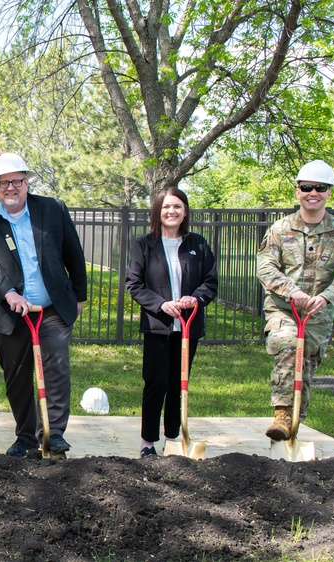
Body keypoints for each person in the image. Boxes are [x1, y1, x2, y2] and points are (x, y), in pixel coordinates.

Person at [0, 153, 87, 457]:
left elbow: (73, 252)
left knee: (56, 365)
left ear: (26, 182)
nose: (11, 187)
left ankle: (54, 433)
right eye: (4, 182)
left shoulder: (51, 208)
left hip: (50, 307)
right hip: (9, 312)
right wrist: (9, 293)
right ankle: (26, 436)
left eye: (17, 181)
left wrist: (80, 295)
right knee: (17, 375)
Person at [257, 160, 334, 441]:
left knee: (305, 365)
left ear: (329, 192)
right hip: (284, 309)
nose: (312, 192)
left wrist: (327, 296)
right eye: (306, 187)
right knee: (289, 345)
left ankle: (293, 424)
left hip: (318, 313)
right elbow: (266, 266)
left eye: (320, 187)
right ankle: (281, 416)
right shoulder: (280, 229)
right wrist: (294, 292)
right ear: (298, 192)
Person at [125, 187, 217, 458]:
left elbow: (210, 282)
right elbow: (134, 283)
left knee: (179, 383)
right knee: (155, 382)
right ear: (158, 211)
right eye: (166, 207)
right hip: (158, 325)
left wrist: (195, 299)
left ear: (185, 211)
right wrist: (160, 304)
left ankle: (173, 438)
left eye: (177, 206)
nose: (171, 211)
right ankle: (148, 442)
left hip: (188, 327)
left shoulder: (198, 244)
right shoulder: (145, 244)